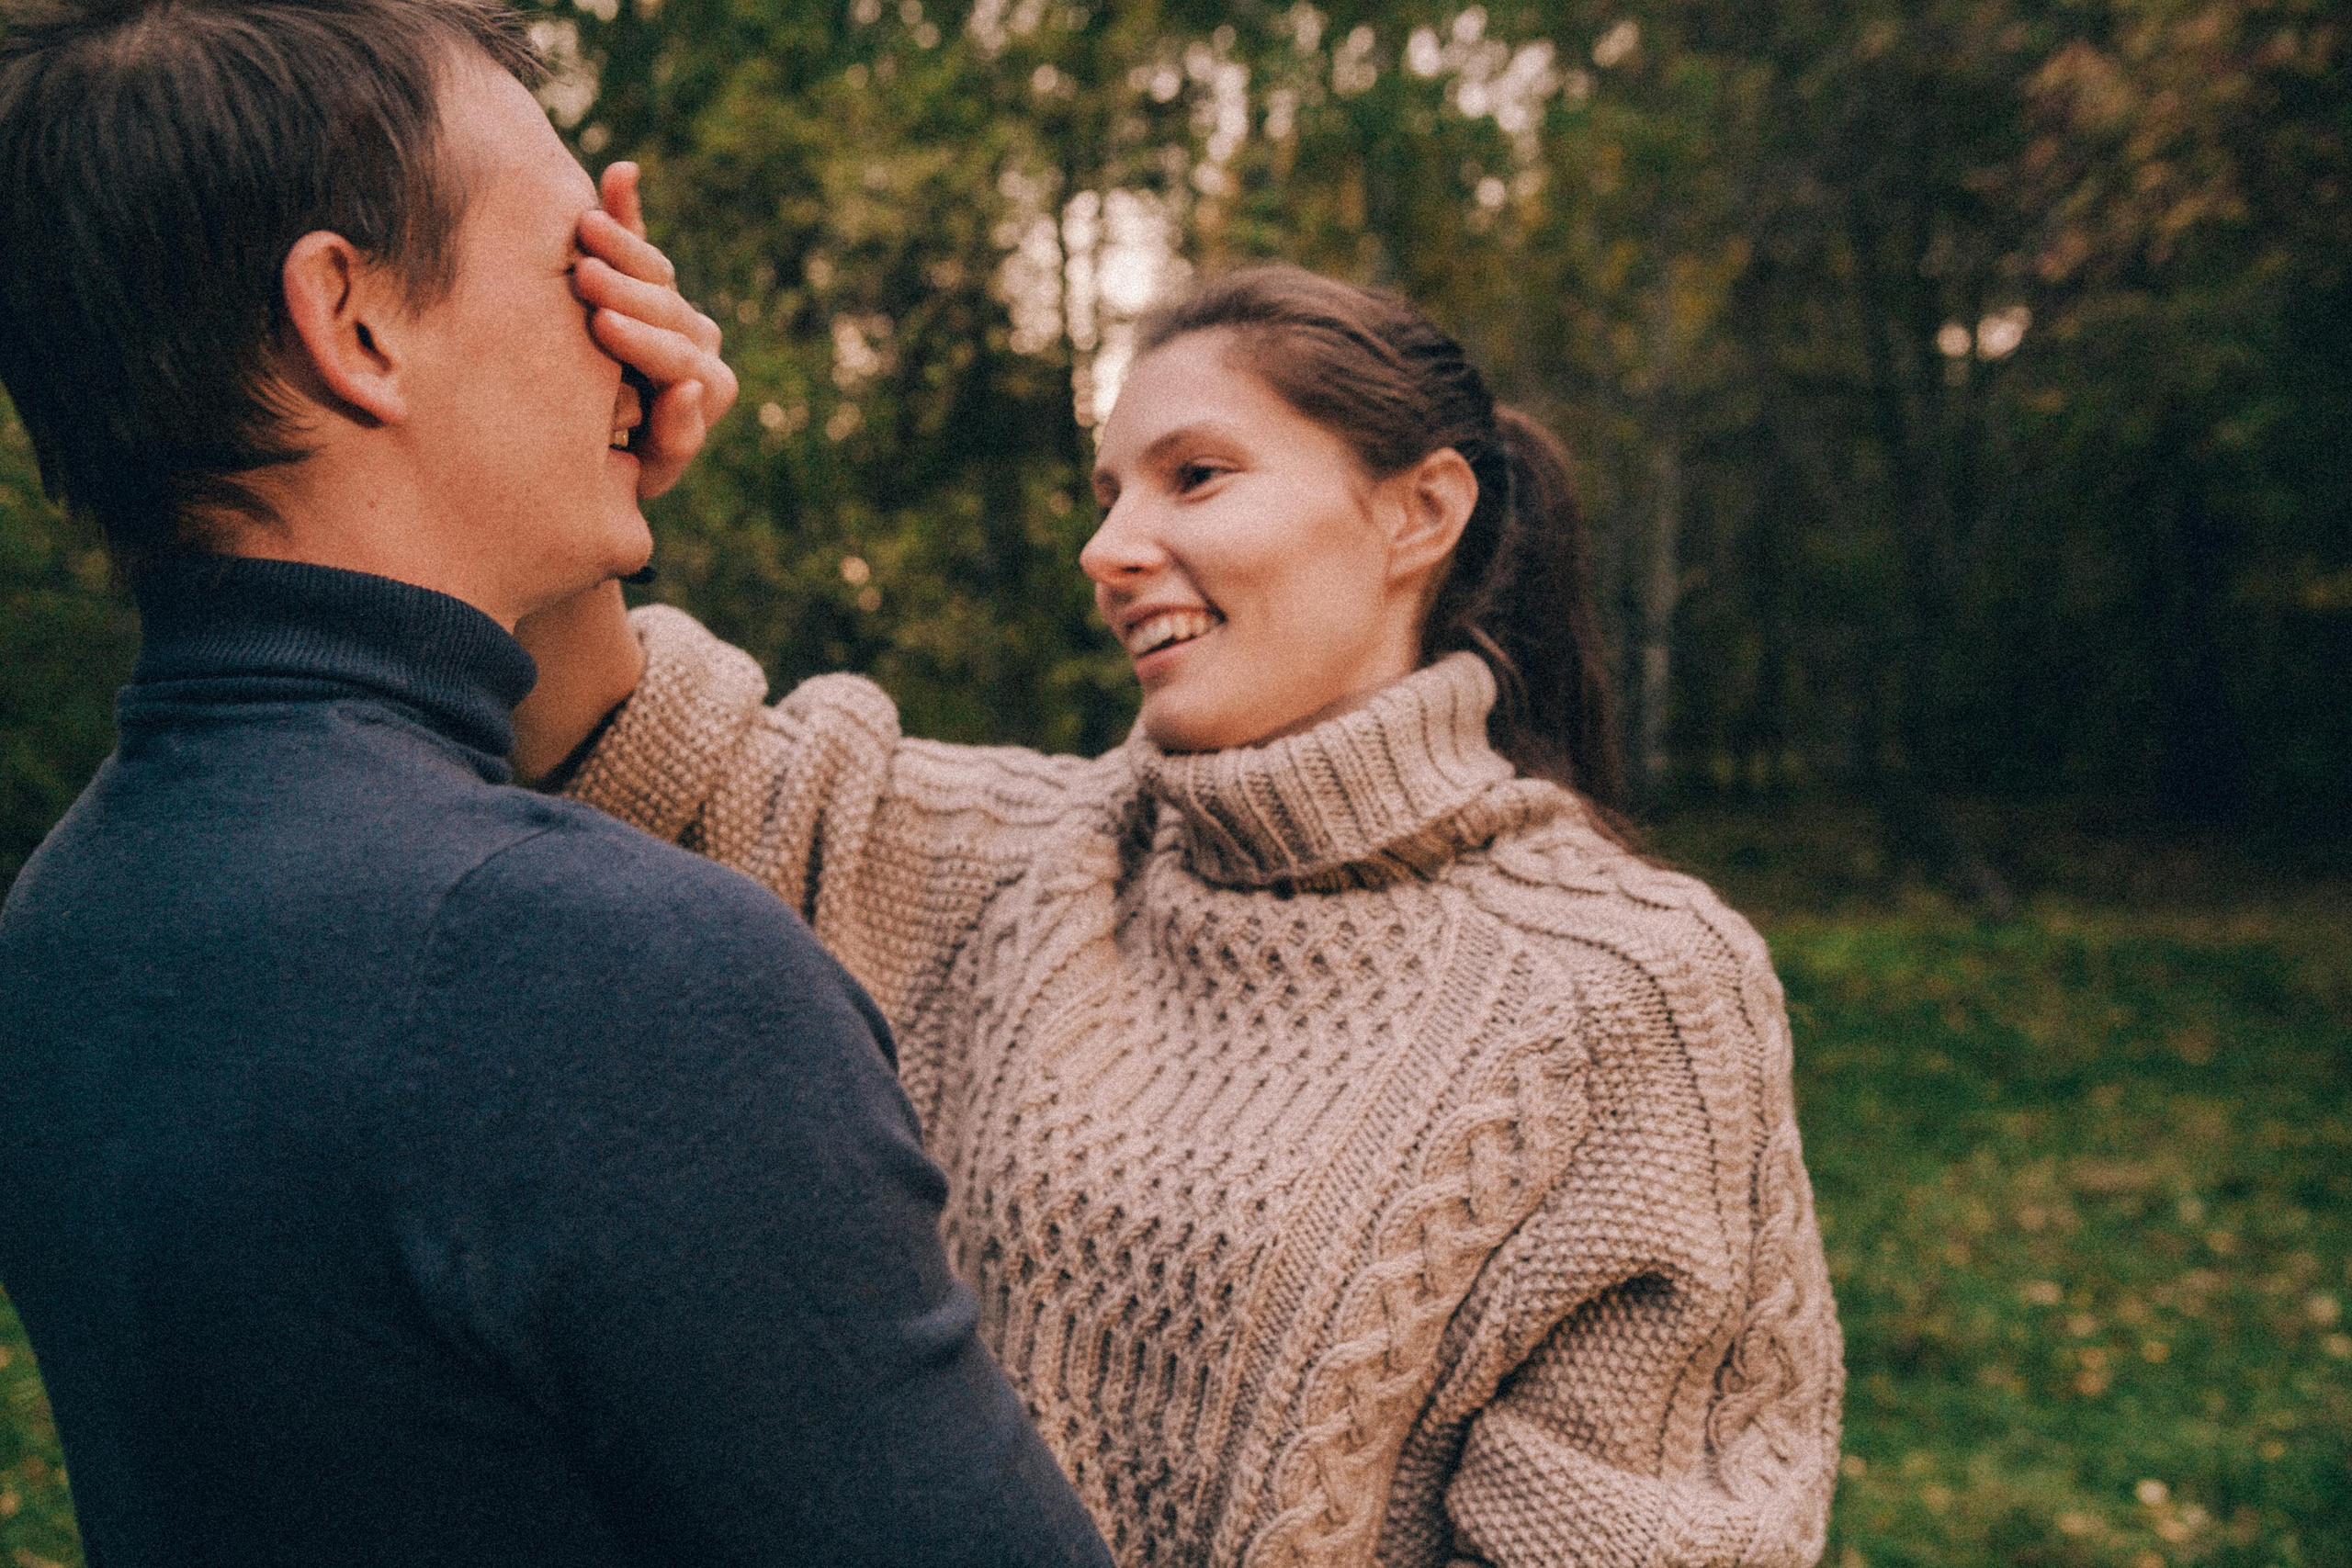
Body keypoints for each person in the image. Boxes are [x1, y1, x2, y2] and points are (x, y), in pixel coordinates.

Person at [0, 3, 1114, 1563]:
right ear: (353, 319)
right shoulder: (624, 982)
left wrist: (587, 511)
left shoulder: (66, 927)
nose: (638, 321)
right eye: (573, 259)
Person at [517, 265, 1847, 1565]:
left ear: (1420, 512)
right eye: (1106, 497)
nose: (1105, 551)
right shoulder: (1020, 858)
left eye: (1193, 476)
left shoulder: (1631, 989)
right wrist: (595, 451)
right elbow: (617, 740)